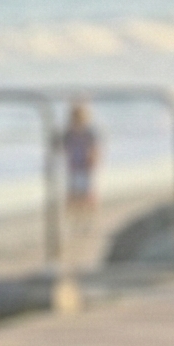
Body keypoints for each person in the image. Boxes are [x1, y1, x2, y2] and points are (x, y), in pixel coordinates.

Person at [58, 103, 101, 253]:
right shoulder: (69, 133)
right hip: (73, 168)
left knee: (86, 196)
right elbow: (60, 146)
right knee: (73, 197)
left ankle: (86, 222)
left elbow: (95, 150)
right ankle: (74, 223)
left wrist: (94, 161)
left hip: (84, 167)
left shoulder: (89, 132)